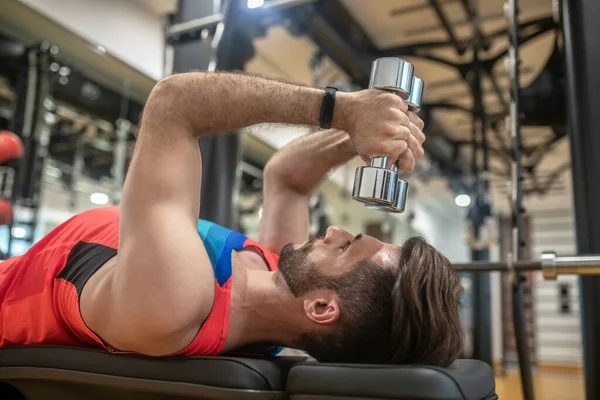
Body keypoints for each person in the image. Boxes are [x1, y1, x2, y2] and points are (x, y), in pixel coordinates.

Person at [0, 72, 463, 366]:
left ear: (322, 308)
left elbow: (174, 103)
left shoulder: (177, 304)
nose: (335, 232)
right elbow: (287, 178)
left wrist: (341, 109)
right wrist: (363, 134)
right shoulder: (278, 277)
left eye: (345, 247)